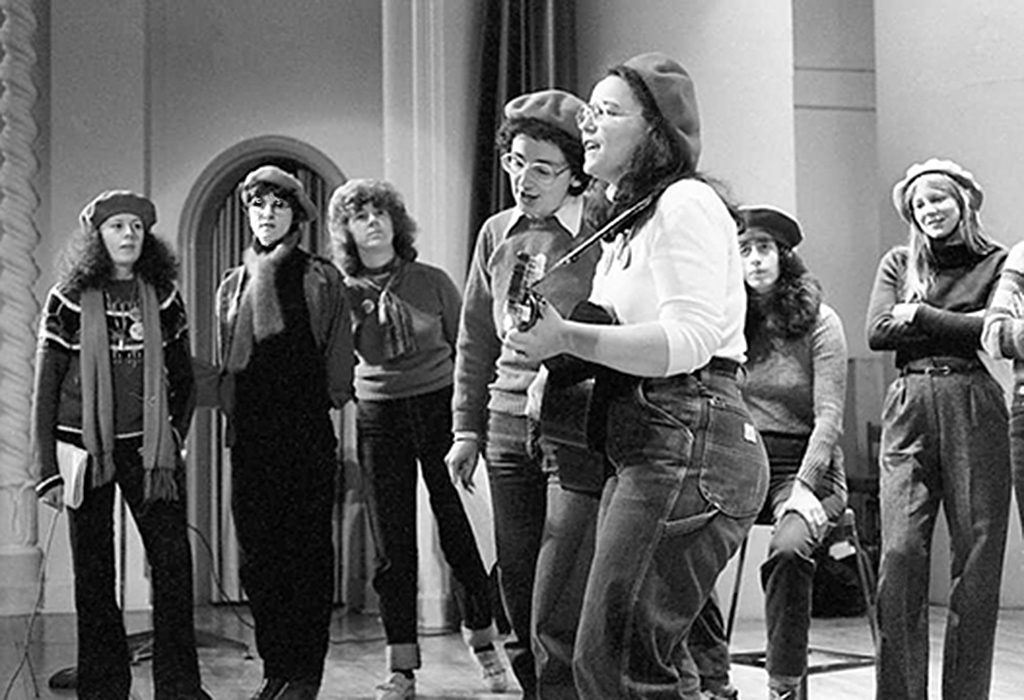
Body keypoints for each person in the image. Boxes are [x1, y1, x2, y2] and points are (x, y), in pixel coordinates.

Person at [505, 53, 769, 699]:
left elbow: (690, 341)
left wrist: (566, 336)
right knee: (585, 655)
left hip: (688, 433)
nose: (589, 123)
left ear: (656, 130)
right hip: (640, 436)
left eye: (609, 111)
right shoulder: (630, 222)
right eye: (590, 111)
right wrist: (556, 361)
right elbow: (620, 336)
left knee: (619, 667)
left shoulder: (686, 202)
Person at [445, 89, 602, 699]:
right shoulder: (497, 232)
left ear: (574, 173)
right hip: (506, 424)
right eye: (516, 162)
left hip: (575, 421)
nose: (525, 179)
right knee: (515, 582)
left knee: (562, 589)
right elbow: (475, 336)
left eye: (542, 167)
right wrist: (466, 431)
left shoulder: (598, 229)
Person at [326, 178, 509, 700]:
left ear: (396, 223)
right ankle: (402, 667)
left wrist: (471, 423)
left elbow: (472, 350)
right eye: (360, 216)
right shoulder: (343, 292)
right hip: (378, 417)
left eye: (381, 212)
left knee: (459, 532)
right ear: (348, 232)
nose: (373, 222)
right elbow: (337, 362)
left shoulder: (432, 281)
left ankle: (485, 643)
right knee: (393, 546)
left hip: (440, 408)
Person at [32, 190, 209, 699]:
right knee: (93, 572)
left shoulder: (164, 296)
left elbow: (185, 379)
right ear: (97, 236)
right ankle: (104, 683)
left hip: (148, 455)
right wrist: (46, 467)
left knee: (173, 566)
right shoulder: (66, 298)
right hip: (83, 452)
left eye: (136, 226)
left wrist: (172, 436)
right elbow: (45, 391)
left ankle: (179, 688)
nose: (128, 235)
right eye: (117, 227)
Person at [866, 158, 1010, 700]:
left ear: (963, 201)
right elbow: (878, 332)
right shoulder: (899, 261)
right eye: (919, 204)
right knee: (900, 553)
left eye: (938, 199)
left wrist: (920, 316)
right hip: (909, 402)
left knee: (977, 555)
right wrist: (949, 323)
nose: (929, 210)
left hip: (974, 399)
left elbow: (992, 333)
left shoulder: (997, 261)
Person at [216, 165, 353, 699]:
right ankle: (275, 668)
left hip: (304, 434)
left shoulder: (321, 276)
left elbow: (337, 347)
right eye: (257, 206)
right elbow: (229, 361)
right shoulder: (235, 282)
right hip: (250, 437)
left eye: (277, 206)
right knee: (258, 558)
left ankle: (305, 673)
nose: (266, 215)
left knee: (307, 554)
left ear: (296, 214)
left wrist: (334, 396)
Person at [737, 205, 849, 699]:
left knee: (787, 550)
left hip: (804, 465)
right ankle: (709, 676)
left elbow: (828, 418)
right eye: (744, 251)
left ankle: (784, 687)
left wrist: (804, 487)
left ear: (783, 256)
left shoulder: (819, 321)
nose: (755, 260)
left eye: (763, 249)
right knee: (677, 543)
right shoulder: (725, 320)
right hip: (740, 462)